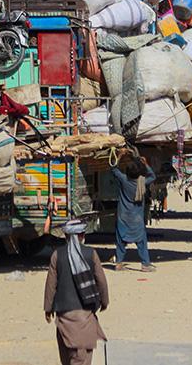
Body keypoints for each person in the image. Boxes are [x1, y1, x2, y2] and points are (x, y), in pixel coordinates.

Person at [44, 219, 109, 365]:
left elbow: (50, 285)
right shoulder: (90, 254)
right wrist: (104, 302)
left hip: (63, 317)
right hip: (84, 318)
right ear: (82, 235)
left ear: (66, 236)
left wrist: (48, 308)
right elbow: (102, 282)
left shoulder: (57, 255)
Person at [111, 156, 157, 272]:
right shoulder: (142, 183)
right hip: (137, 219)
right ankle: (145, 264)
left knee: (120, 242)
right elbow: (152, 176)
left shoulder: (124, 180)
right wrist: (146, 164)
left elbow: (113, 169)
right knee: (141, 242)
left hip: (123, 217)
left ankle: (119, 263)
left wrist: (119, 156)